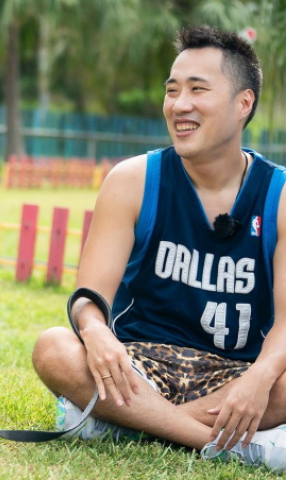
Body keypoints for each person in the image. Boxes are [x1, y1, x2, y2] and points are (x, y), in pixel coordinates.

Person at [31, 25, 286, 472]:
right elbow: (89, 299)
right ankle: (233, 444)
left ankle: (116, 424)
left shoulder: (280, 194)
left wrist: (260, 379)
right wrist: (95, 332)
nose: (179, 105)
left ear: (243, 103)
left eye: (197, 90)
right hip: (136, 370)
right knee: (54, 348)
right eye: (172, 91)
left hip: (234, 376)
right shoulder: (132, 180)